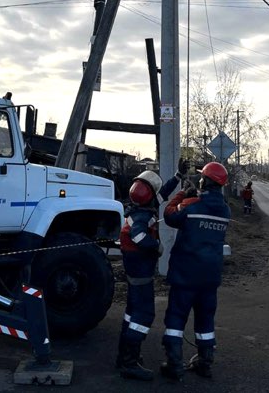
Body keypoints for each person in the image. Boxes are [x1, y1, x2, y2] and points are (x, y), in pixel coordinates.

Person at [116, 159, 190, 381]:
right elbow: (139, 236)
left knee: (131, 313)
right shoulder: (142, 216)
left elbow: (163, 194)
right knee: (144, 314)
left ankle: (125, 357)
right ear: (147, 194)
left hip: (135, 270)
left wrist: (177, 176)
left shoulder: (139, 207)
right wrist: (156, 246)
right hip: (140, 271)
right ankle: (129, 363)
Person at [159, 162, 231, 381]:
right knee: (205, 322)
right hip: (210, 277)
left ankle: (174, 365)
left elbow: (170, 215)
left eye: (201, 178)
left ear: (204, 181)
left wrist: (182, 194)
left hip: (185, 275)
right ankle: (205, 363)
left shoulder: (192, 205)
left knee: (175, 320)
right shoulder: (225, 211)